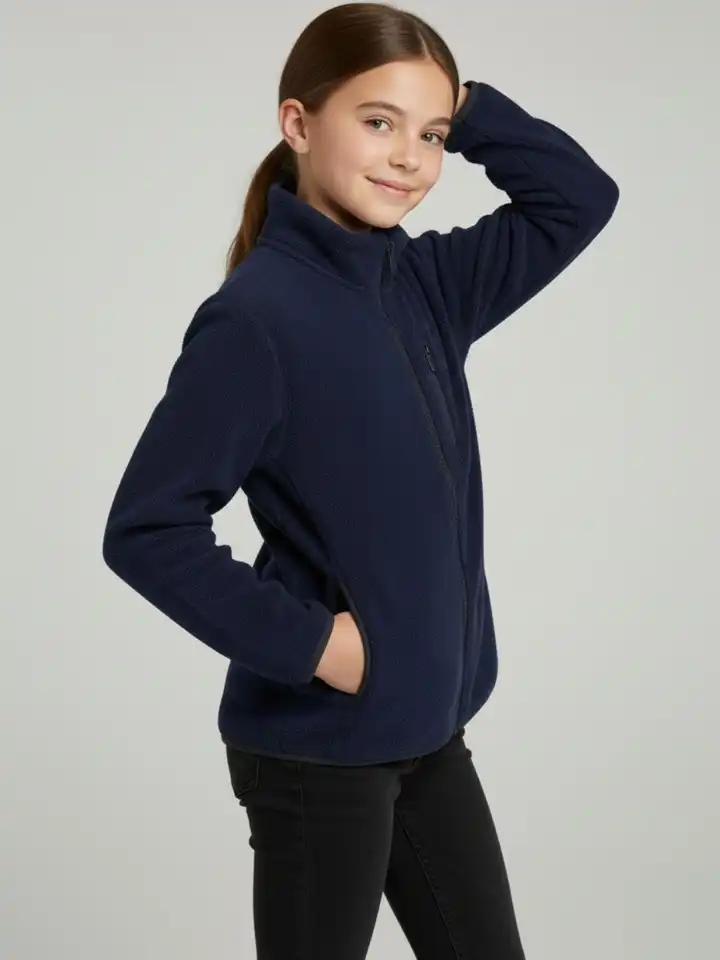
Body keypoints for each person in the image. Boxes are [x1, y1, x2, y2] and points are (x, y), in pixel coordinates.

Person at [102, 2, 619, 957]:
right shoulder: (256, 320)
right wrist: (316, 646)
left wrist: (463, 103)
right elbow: (147, 529)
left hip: (427, 734)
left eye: (432, 135)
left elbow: (578, 199)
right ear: (297, 123)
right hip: (319, 753)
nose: (409, 159)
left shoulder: (426, 285)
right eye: (379, 122)